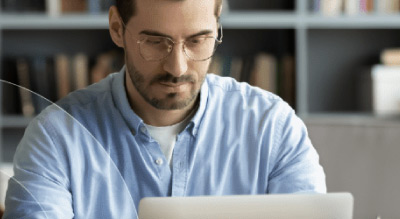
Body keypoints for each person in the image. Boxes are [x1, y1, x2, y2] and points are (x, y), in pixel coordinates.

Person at [4, 0, 326, 218]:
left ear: (217, 27)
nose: (177, 67)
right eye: (156, 42)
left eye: (198, 41)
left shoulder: (272, 126)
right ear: (117, 28)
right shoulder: (55, 137)